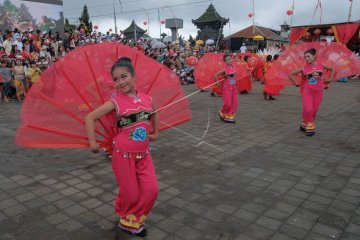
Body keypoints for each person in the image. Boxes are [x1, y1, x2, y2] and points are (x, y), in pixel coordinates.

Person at [85, 57, 159, 237]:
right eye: (116, 79)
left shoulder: (147, 99)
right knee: (131, 194)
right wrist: (93, 143)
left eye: (124, 76)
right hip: (122, 155)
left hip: (144, 154)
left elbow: (155, 113)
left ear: (133, 76)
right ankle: (127, 220)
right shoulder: (115, 102)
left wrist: (155, 133)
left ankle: (134, 217)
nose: (120, 82)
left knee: (151, 190)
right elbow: (90, 118)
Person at [289, 48, 335, 136]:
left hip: (319, 91)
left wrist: (330, 79)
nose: (306, 58)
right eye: (305, 57)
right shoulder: (304, 68)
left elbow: (332, 68)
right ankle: (310, 127)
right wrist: (295, 83)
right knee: (308, 109)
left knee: (314, 110)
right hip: (307, 91)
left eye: (308, 56)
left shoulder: (321, 65)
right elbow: (291, 74)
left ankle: (304, 124)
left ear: (314, 56)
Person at [214, 54, 238, 123]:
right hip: (227, 88)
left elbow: (235, 76)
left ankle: (229, 116)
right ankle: (222, 112)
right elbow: (215, 75)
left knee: (235, 103)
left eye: (229, 59)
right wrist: (218, 83)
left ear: (232, 59)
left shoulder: (234, 67)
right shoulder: (224, 69)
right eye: (226, 60)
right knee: (228, 104)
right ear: (225, 62)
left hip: (234, 88)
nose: (228, 61)